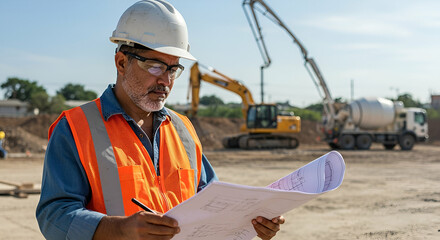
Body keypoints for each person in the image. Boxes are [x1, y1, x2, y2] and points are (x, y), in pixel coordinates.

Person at [36, 1, 285, 239]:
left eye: (173, 69)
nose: (166, 81)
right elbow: (53, 215)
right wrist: (119, 230)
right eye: (155, 66)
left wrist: (251, 221)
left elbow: (212, 203)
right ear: (121, 62)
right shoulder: (75, 127)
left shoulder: (184, 130)